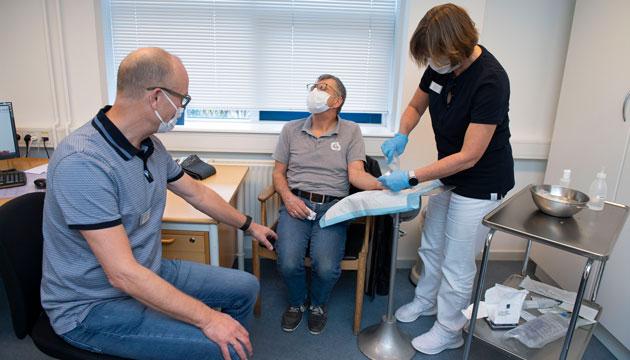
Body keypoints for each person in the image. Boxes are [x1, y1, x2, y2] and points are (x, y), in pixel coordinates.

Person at [41, 47, 277, 360]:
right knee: (221, 345)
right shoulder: (83, 163)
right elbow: (122, 274)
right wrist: (208, 318)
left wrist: (250, 225)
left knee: (245, 287)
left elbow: (197, 193)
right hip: (92, 307)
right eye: (182, 99)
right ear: (156, 97)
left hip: (147, 270)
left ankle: (222, 345)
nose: (182, 107)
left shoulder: (149, 145)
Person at [378, 3, 515, 355]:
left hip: (482, 180)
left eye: (436, 56)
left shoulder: (491, 80)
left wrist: (411, 177)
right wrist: (402, 133)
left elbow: (470, 155)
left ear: (456, 48)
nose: (432, 64)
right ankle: (426, 300)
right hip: (449, 172)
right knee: (432, 241)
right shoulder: (441, 68)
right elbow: (415, 106)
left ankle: (450, 328)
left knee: (457, 259)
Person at [272, 74, 382, 335]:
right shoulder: (290, 129)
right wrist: (288, 198)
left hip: (333, 208)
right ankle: (298, 303)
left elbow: (356, 175)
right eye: (314, 86)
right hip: (296, 202)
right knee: (287, 260)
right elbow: (278, 174)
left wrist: (384, 184)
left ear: (337, 100)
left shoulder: (351, 131)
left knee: (325, 265)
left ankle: (318, 305)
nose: (316, 90)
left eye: (324, 88)